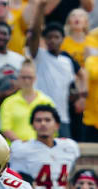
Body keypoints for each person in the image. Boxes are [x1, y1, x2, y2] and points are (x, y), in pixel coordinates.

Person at [27, 1, 87, 138]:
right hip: (41, 116)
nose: (53, 40)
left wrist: (81, 97)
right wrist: (40, 8)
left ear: (62, 39)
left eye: (56, 37)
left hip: (63, 117)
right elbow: (35, 33)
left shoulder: (67, 60)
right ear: (45, 39)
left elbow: (82, 75)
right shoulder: (39, 56)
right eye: (49, 37)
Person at [10, 104, 79, 189]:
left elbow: (70, 180)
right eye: (38, 120)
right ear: (32, 125)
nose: (43, 123)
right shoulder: (21, 149)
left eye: (47, 120)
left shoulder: (69, 146)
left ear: (57, 125)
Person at [0, 60, 55, 142]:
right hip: (16, 149)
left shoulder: (46, 101)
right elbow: (5, 129)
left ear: (35, 78)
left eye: (30, 77)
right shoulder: (8, 102)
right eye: (23, 77)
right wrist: (23, 145)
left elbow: (53, 127)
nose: (26, 81)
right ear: (18, 78)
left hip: (41, 148)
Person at [0, 21, 25, 107]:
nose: (0, 36)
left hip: (17, 106)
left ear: (10, 36)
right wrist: (2, 94)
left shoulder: (20, 59)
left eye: (4, 34)